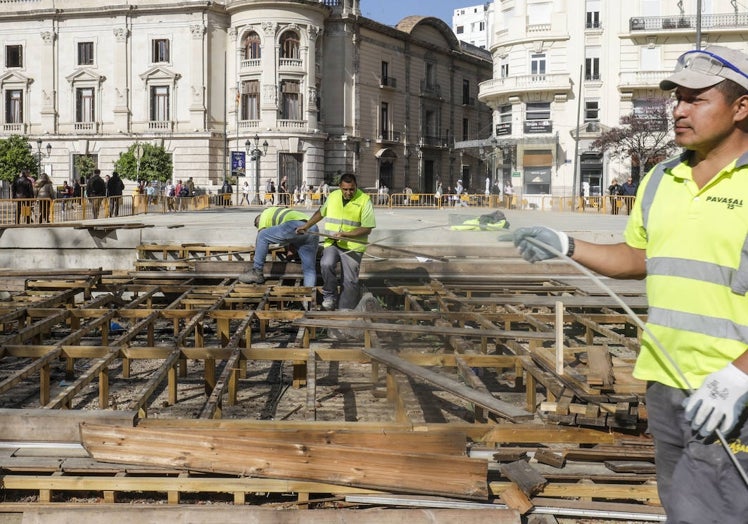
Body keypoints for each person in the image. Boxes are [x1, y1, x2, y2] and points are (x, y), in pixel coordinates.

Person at [508, 45, 748, 523]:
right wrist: (566, 244)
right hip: (665, 381)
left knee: (713, 511)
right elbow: (638, 258)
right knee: (680, 504)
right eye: (676, 98)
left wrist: (738, 375)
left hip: (730, 389)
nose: (678, 110)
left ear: (742, 106)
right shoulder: (662, 178)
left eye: (696, 98)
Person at [296, 173, 376, 310]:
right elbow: (321, 213)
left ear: (356, 186)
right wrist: (306, 225)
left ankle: (345, 310)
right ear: (340, 187)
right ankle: (330, 296)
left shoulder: (364, 200)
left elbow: (367, 228)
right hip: (333, 243)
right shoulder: (333, 197)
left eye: (351, 189)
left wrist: (346, 234)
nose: (348, 192)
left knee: (350, 281)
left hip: (353, 246)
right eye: (345, 189)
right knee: (326, 264)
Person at [237, 207, 320, 288]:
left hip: (295, 225)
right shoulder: (281, 214)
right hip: (312, 227)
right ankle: (309, 297)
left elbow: (260, 237)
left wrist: (258, 253)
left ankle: (257, 272)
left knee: (262, 236)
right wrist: (288, 258)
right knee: (309, 270)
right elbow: (292, 242)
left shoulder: (263, 216)